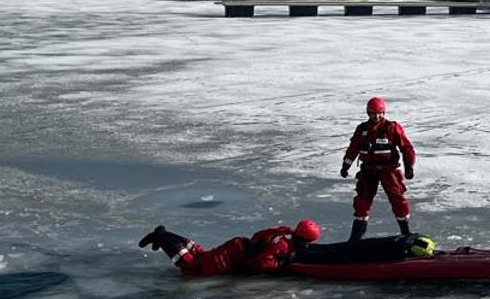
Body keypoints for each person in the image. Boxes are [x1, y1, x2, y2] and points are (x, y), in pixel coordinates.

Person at [340, 96, 417, 241]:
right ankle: (355, 238)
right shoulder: (362, 129)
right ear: (368, 113)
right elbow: (353, 148)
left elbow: (406, 148)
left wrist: (409, 167)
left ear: (384, 112)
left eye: (379, 113)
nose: (376, 116)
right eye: (373, 113)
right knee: (362, 201)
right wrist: (346, 165)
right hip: (368, 171)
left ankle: (405, 232)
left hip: (389, 170)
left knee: (398, 198)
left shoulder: (392, 128)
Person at [138, 219, 321, 277]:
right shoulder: (282, 244)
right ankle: (162, 238)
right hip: (234, 254)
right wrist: (282, 263)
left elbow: (258, 236)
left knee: (200, 253)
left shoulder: (282, 232)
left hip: (237, 246)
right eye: (307, 242)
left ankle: (164, 235)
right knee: (193, 267)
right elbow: (261, 263)